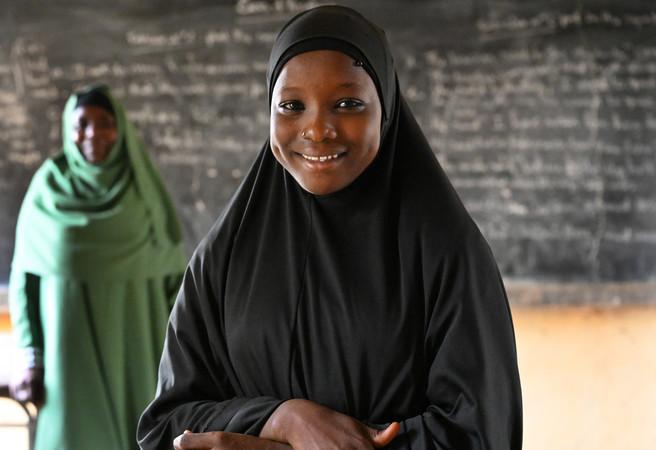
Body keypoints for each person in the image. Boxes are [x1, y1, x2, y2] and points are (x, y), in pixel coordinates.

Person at [137, 5, 523, 450]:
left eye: (348, 103)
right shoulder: (224, 256)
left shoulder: (447, 254)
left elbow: (481, 433)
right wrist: (281, 419)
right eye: (291, 106)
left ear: (387, 109)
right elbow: (165, 425)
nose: (317, 129)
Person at [8, 83, 186, 450]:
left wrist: (186, 361)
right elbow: (25, 280)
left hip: (141, 348)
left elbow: (175, 281)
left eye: (105, 122)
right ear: (67, 130)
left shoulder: (144, 191)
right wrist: (30, 357)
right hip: (67, 359)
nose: (93, 133)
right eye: (82, 123)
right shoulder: (48, 188)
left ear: (120, 128)